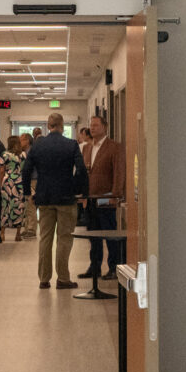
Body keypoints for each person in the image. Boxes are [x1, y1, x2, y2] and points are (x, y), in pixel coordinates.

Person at [21, 112, 87, 289]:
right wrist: (80, 191)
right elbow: (81, 169)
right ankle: (63, 278)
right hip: (66, 197)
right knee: (64, 238)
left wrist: (28, 192)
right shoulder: (71, 144)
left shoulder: (38, 146)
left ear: (48, 126)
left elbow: (25, 170)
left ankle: (44, 278)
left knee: (45, 238)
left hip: (44, 197)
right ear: (62, 125)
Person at [82, 114, 126, 279]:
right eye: (91, 125)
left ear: (105, 127)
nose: (92, 128)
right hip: (91, 199)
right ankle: (95, 267)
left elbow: (119, 172)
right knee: (93, 236)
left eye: (96, 125)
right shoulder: (87, 147)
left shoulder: (114, 147)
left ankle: (113, 267)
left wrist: (116, 194)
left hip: (106, 198)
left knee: (109, 234)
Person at [0, 134, 27, 240]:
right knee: (19, 206)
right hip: (20, 182)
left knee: (5, 206)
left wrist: (0, 183)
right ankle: (18, 234)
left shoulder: (4, 154)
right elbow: (25, 169)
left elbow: (1, 170)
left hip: (8, 182)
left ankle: (2, 233)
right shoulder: (23, 155)